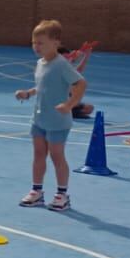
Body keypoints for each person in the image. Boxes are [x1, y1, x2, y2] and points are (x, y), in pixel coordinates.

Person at [16, 19, 87, 211]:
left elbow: (80, 84)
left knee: (57, 156)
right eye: (34, 42)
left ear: (56, 42)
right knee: (38, 154)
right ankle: (36, 191)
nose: (36, 47)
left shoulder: (61, 64)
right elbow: (42, 86)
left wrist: (69, 104)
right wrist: (28, 93)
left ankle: (62, 194)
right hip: (39, 119)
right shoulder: (40, 63)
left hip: (58, 120)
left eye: (41, 43)